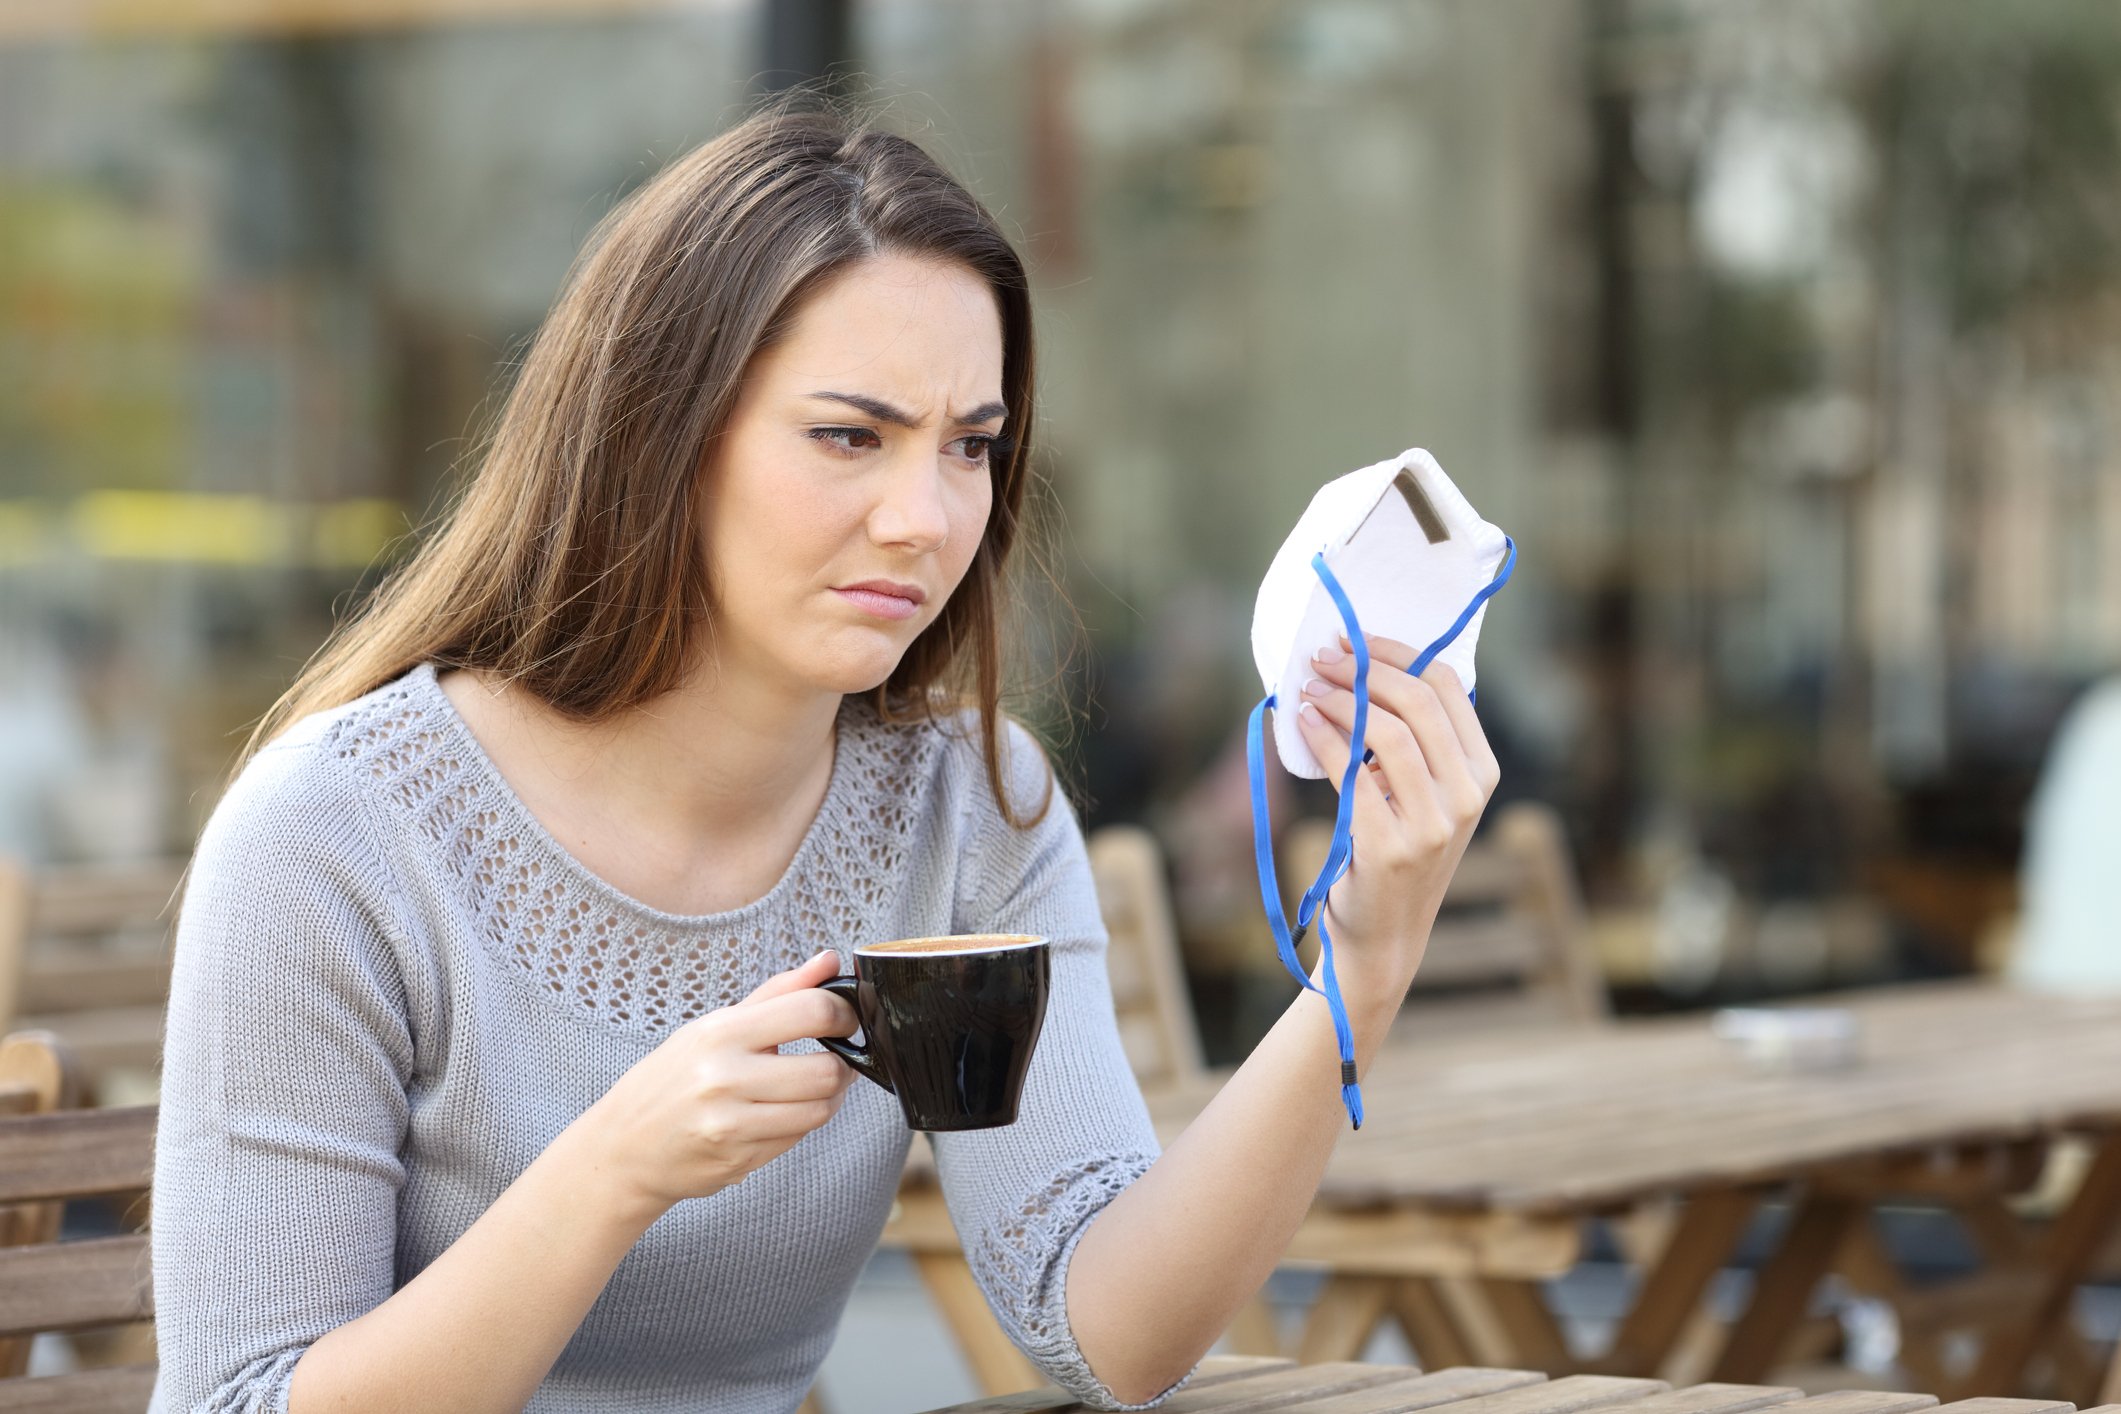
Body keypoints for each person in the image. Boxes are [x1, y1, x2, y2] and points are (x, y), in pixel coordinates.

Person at [150, 99, 1499, 1414]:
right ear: (659, 434)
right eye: (848, 436)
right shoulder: (335, 834)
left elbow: (1109, 1336)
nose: (922, 518)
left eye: (969, 447)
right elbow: (242, 1398)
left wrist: (1358, 977)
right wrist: (614, 1167)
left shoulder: (971, 807)